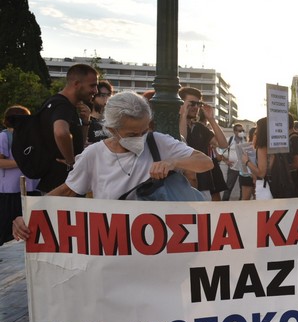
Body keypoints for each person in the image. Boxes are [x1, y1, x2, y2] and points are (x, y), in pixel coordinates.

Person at [11, 92, 213, 240]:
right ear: (111, 129)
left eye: (144, 131)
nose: (140, 138)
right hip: (116, 245)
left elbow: (205, 162)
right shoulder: (93, 155)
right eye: (132, 134)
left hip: (163, 240)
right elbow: (67, 191)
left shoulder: (158, 142)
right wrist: (28, 215)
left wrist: (173, 162)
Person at [37, 63, 98, 193]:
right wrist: (71, 163)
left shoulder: (60, 104)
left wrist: (86, 123)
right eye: (92, 85)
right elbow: (61, 132)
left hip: (60, 183)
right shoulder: (62, 105)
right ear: (76, 84)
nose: (95, 91)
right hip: (59, 184)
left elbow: (79, 145)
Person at [178, 87, 228, 200]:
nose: (196, 107)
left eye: (198, 104)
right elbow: (181, 142)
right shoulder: (173, 125)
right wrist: (183, 114)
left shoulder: (199, 127)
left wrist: (211, 119)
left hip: (204, 183)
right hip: (183, 183)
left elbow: (223, 144)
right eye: (191, 103)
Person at [1, 106, 40, 245]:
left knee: (30, 231)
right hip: (10, 193)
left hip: (32, 189)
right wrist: (21, 163)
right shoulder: (5, 136)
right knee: (8, 233)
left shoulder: (32, 137)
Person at [242, 117, 274, 200]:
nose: (256, 131)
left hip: (265, 186)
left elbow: (261, 173)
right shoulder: (274, 146)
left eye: (257, 128)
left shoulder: (262, 148)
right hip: (274, 184)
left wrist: (247, 162)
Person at [221, 122, 247, 201]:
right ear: (235, 131)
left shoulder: (245, 141)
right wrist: (226, 161)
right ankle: (224, 204)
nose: (241, 132)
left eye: (242, 130)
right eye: (239, 131)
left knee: (243, 188)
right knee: (228, 187)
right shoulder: (229, 140)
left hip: (243, 168)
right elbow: (219, 151)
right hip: (233, 168)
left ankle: (241, 204)